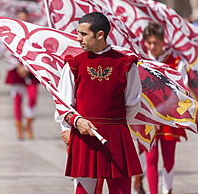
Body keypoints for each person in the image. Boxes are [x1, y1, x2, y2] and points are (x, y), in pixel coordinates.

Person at [55, 12, 143, 194]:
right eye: (78, 33)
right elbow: (63, 103)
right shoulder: (73, 63)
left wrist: (115, 124)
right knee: (83, 192)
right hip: (84, 136)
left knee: (121, 191)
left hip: (117, 136)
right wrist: (72, 124)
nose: (78, 39)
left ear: (100, 35)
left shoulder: (126, 63)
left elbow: (133, 102)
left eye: (83, 34)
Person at [141, 21, 187, 194]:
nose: (152, 47)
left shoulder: (175, 61)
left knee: (168, 157)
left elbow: (183, 90)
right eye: (149, 43)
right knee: (151, 158)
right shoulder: (140, 60)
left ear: (162, 41)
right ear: (144, 42)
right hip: (147, 116)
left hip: (169, 117)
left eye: (156, 43)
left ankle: (167, 190)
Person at [5, 9, 39, 139]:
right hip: (16, 70)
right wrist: (18, 66)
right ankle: (19, 127)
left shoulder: (33, 35)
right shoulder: (10, 34)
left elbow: (36, 51)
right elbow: (6, 51)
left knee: (32, 98)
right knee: (17, 99)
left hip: (30, 70)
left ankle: (29, 124)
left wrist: (27, 66)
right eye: (21, 18)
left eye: (25, 18)